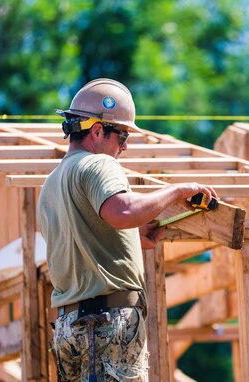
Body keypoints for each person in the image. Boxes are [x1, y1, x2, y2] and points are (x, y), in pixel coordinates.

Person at [37, 78, 216, 381]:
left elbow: (85, 237)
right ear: (96, 131)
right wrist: (177, 191)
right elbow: (124, 211)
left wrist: (131, 234)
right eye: (121, 135)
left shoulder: (50, 185)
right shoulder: (98, 165)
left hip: (70, 329)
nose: (125, 145)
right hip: (107, 325)